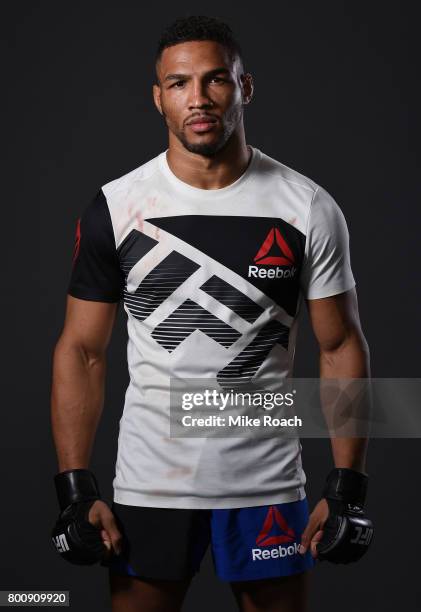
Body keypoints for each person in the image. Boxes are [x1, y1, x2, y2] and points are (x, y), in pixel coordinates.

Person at [50, 15, 373, 612]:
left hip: (268, 485)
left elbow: (339, 347)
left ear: (244, 87)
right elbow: (82, 351)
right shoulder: (116, 208)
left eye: (216, 80)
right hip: (150, 486)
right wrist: (75, 488)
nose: (198, 99)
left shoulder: (307, 208)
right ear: (158, 97)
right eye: (178, 84)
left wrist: (347, 486)